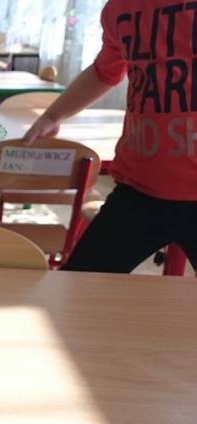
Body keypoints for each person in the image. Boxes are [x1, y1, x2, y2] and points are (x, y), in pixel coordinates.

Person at [23, 0, 197, 273]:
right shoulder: (121, 8)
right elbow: (104, 71)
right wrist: (53, 116)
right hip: (140, 189)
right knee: (79, 285)